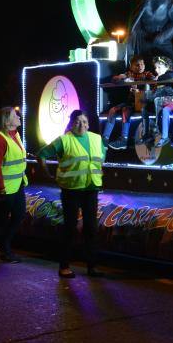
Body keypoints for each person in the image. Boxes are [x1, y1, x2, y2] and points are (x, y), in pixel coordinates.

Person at [38, 110, 106, 279]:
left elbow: (100, 158)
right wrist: (47, 174)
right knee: (70, 228)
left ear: (88, 124)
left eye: (84, 121)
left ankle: (92, 266)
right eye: (77, 122)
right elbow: (42, 154)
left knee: (91, 228)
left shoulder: (97, 139)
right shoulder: (64, 140)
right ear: (71, 124)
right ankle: (64, 266)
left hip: (91, 189)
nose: (81, 125)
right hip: (71, 190)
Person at [0, 107, 28, 264]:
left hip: (16, 185)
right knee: (2, 219)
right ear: (6, 121)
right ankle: (5, 250)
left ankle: (2, 244)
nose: (18, 116)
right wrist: (1, 188)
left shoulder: (15, 134)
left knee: (19, 215)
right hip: (3, 189)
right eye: (14, 115)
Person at [102, 55, 152, 150]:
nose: (140, 66)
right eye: (137, 65)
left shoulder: (147, 74)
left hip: (142, 102)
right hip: (130, 102)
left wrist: (139, 88)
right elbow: (118, 78)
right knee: (113, 110)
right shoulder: (129, 74)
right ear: (131, 66)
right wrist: (118, 77)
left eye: (142, 64)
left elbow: (154, 80)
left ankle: (124, 140)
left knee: (125, 110)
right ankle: (105, 139)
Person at [139, 55, 173, 144]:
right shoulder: (160, 78)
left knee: (157, 100)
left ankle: (158, 129)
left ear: (167, 67)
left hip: (170, 101)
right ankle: (146, 134)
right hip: (159, 101)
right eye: (156, 68)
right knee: (144, 109)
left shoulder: (170, 74)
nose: (156, 70)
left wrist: (157, 79)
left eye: (159, 67)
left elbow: (168, 81)